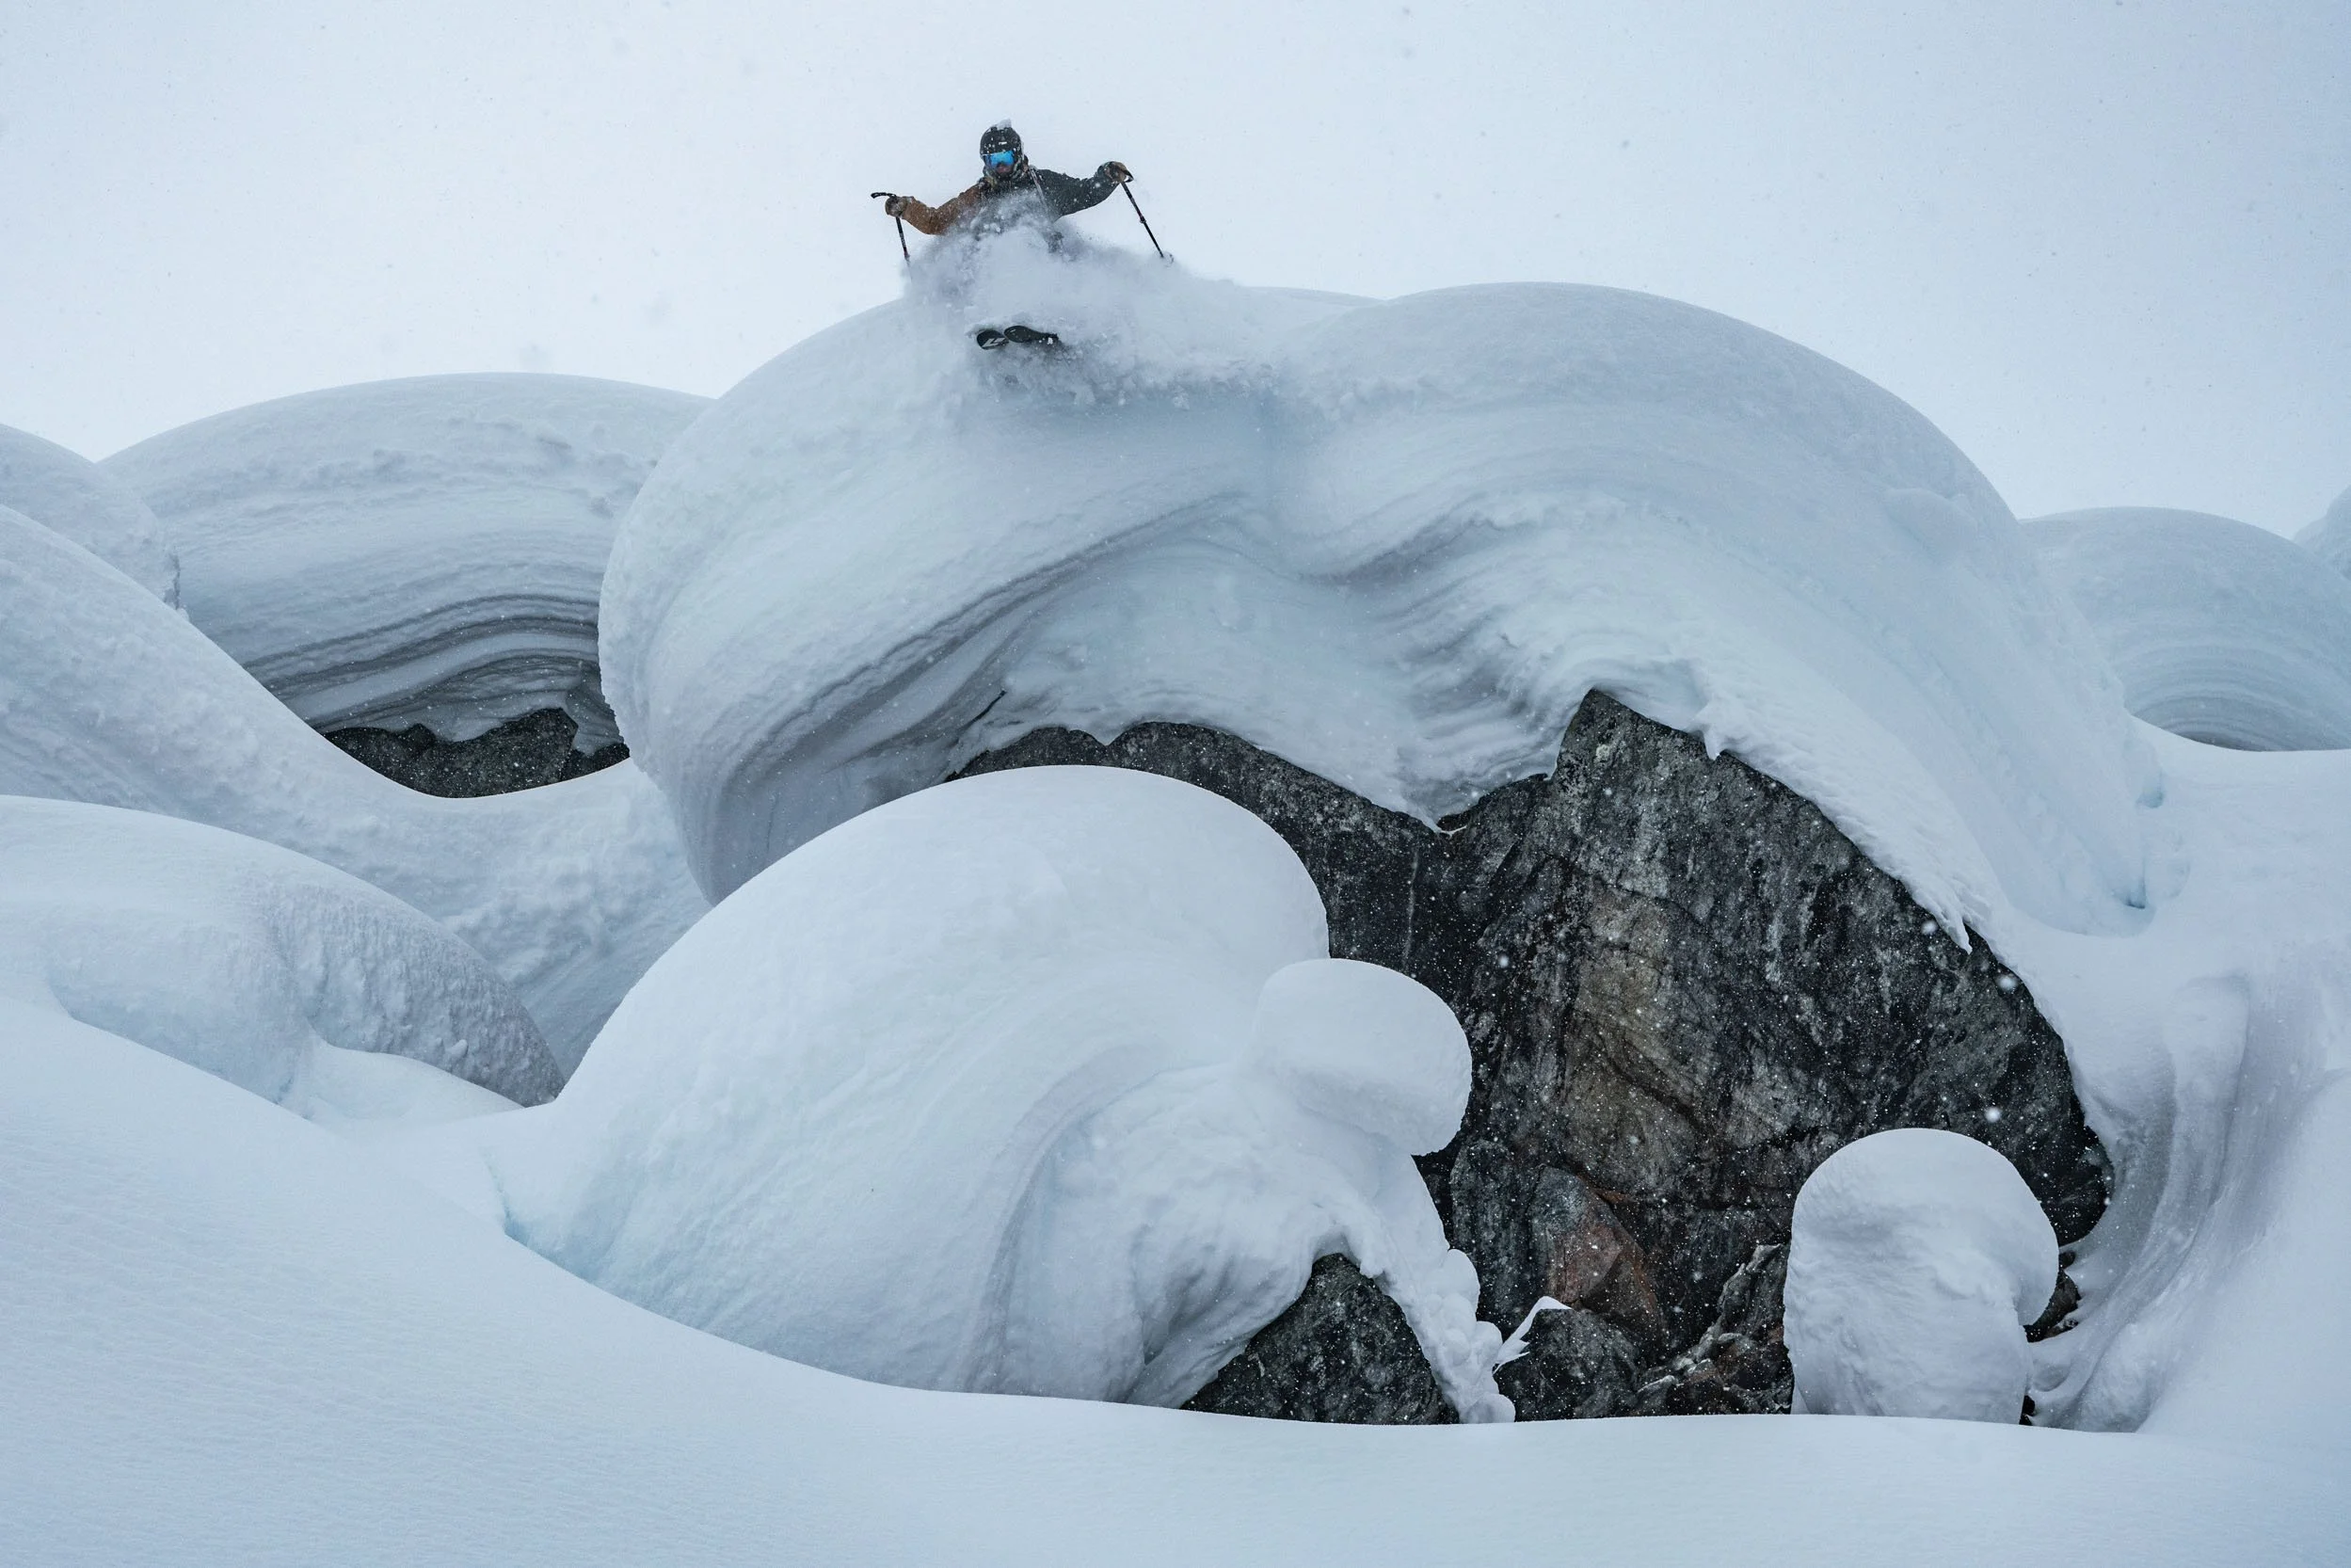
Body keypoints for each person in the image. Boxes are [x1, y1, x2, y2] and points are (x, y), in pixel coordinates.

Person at [881, 123, 1130, 238]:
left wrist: (1106, 177)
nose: (999, 166)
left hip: (1046, 262)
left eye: (1005, 157)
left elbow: (1084, 193)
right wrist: (907, 208)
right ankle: (993, 318)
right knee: (977, 246)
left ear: (1017, 154)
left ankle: (1056, 316)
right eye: (992, 160)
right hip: (995, 271)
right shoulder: (979, 194)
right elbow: (937, 222)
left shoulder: (1042, 183)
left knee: (1034, 239)